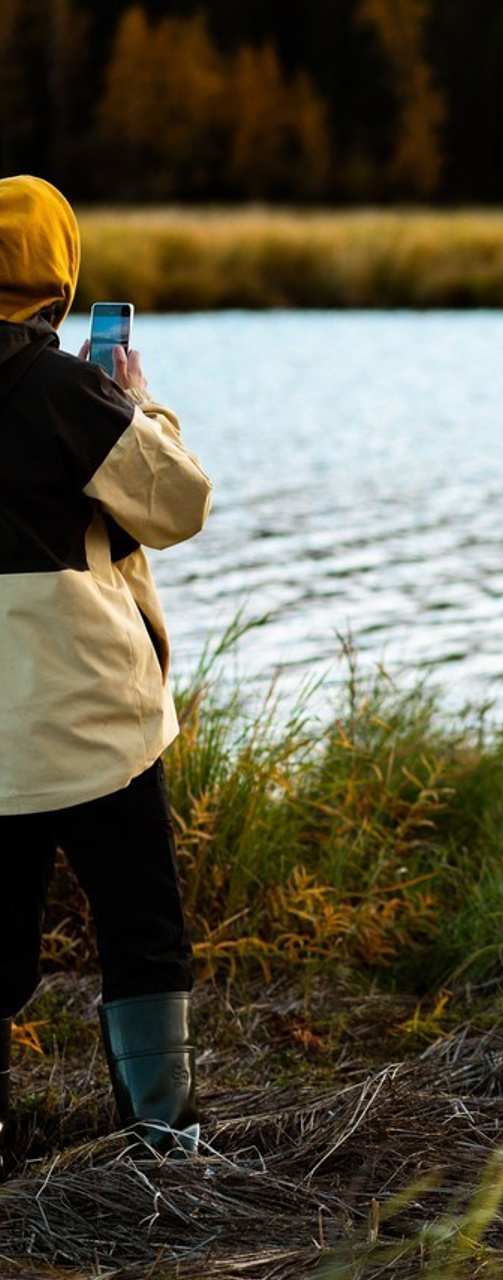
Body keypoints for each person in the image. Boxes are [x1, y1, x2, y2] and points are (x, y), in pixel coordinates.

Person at [0, 175, 212, 1157]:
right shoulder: (68, 391)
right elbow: (177, 505)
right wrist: (137, 400)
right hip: (92, 727)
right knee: (140, 928)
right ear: (58, 278)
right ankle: (162, 1137)